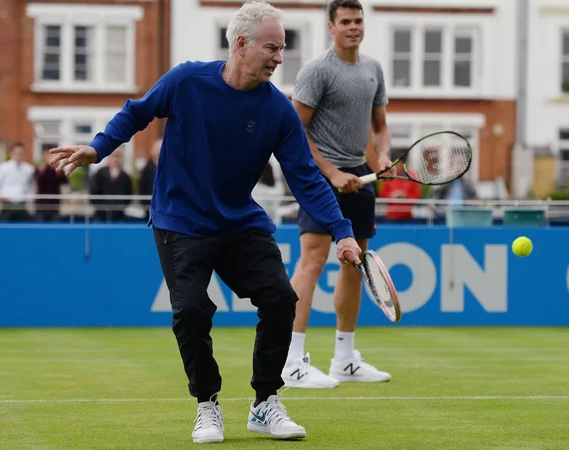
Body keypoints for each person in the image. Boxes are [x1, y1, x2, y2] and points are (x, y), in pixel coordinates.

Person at [48, 0, 362, 444]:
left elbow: (306, 178)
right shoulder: (186, 80)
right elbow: (137, 113)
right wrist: (97, 149)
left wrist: (343, 232)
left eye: (282, 49)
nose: (279, 58)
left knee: (280, 298)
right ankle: (207, 404)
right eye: (272, 48)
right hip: (180, 221)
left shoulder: (278, 110)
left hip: (239, 222)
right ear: (240, 45)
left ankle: (265, 402)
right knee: (191, 310)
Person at [281, 0, 393, 389]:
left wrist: (381, 155)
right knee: (312, 261)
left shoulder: (373, 69)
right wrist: (331, 172)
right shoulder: (317, 71)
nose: (353, 27)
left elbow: (380, 126)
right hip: (320, 177)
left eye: (358, 21)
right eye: (345, 21)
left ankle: (344, 359)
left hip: (359, 177)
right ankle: (291, 361)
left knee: (355, 263)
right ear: (331, 27)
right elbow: (295, 131)